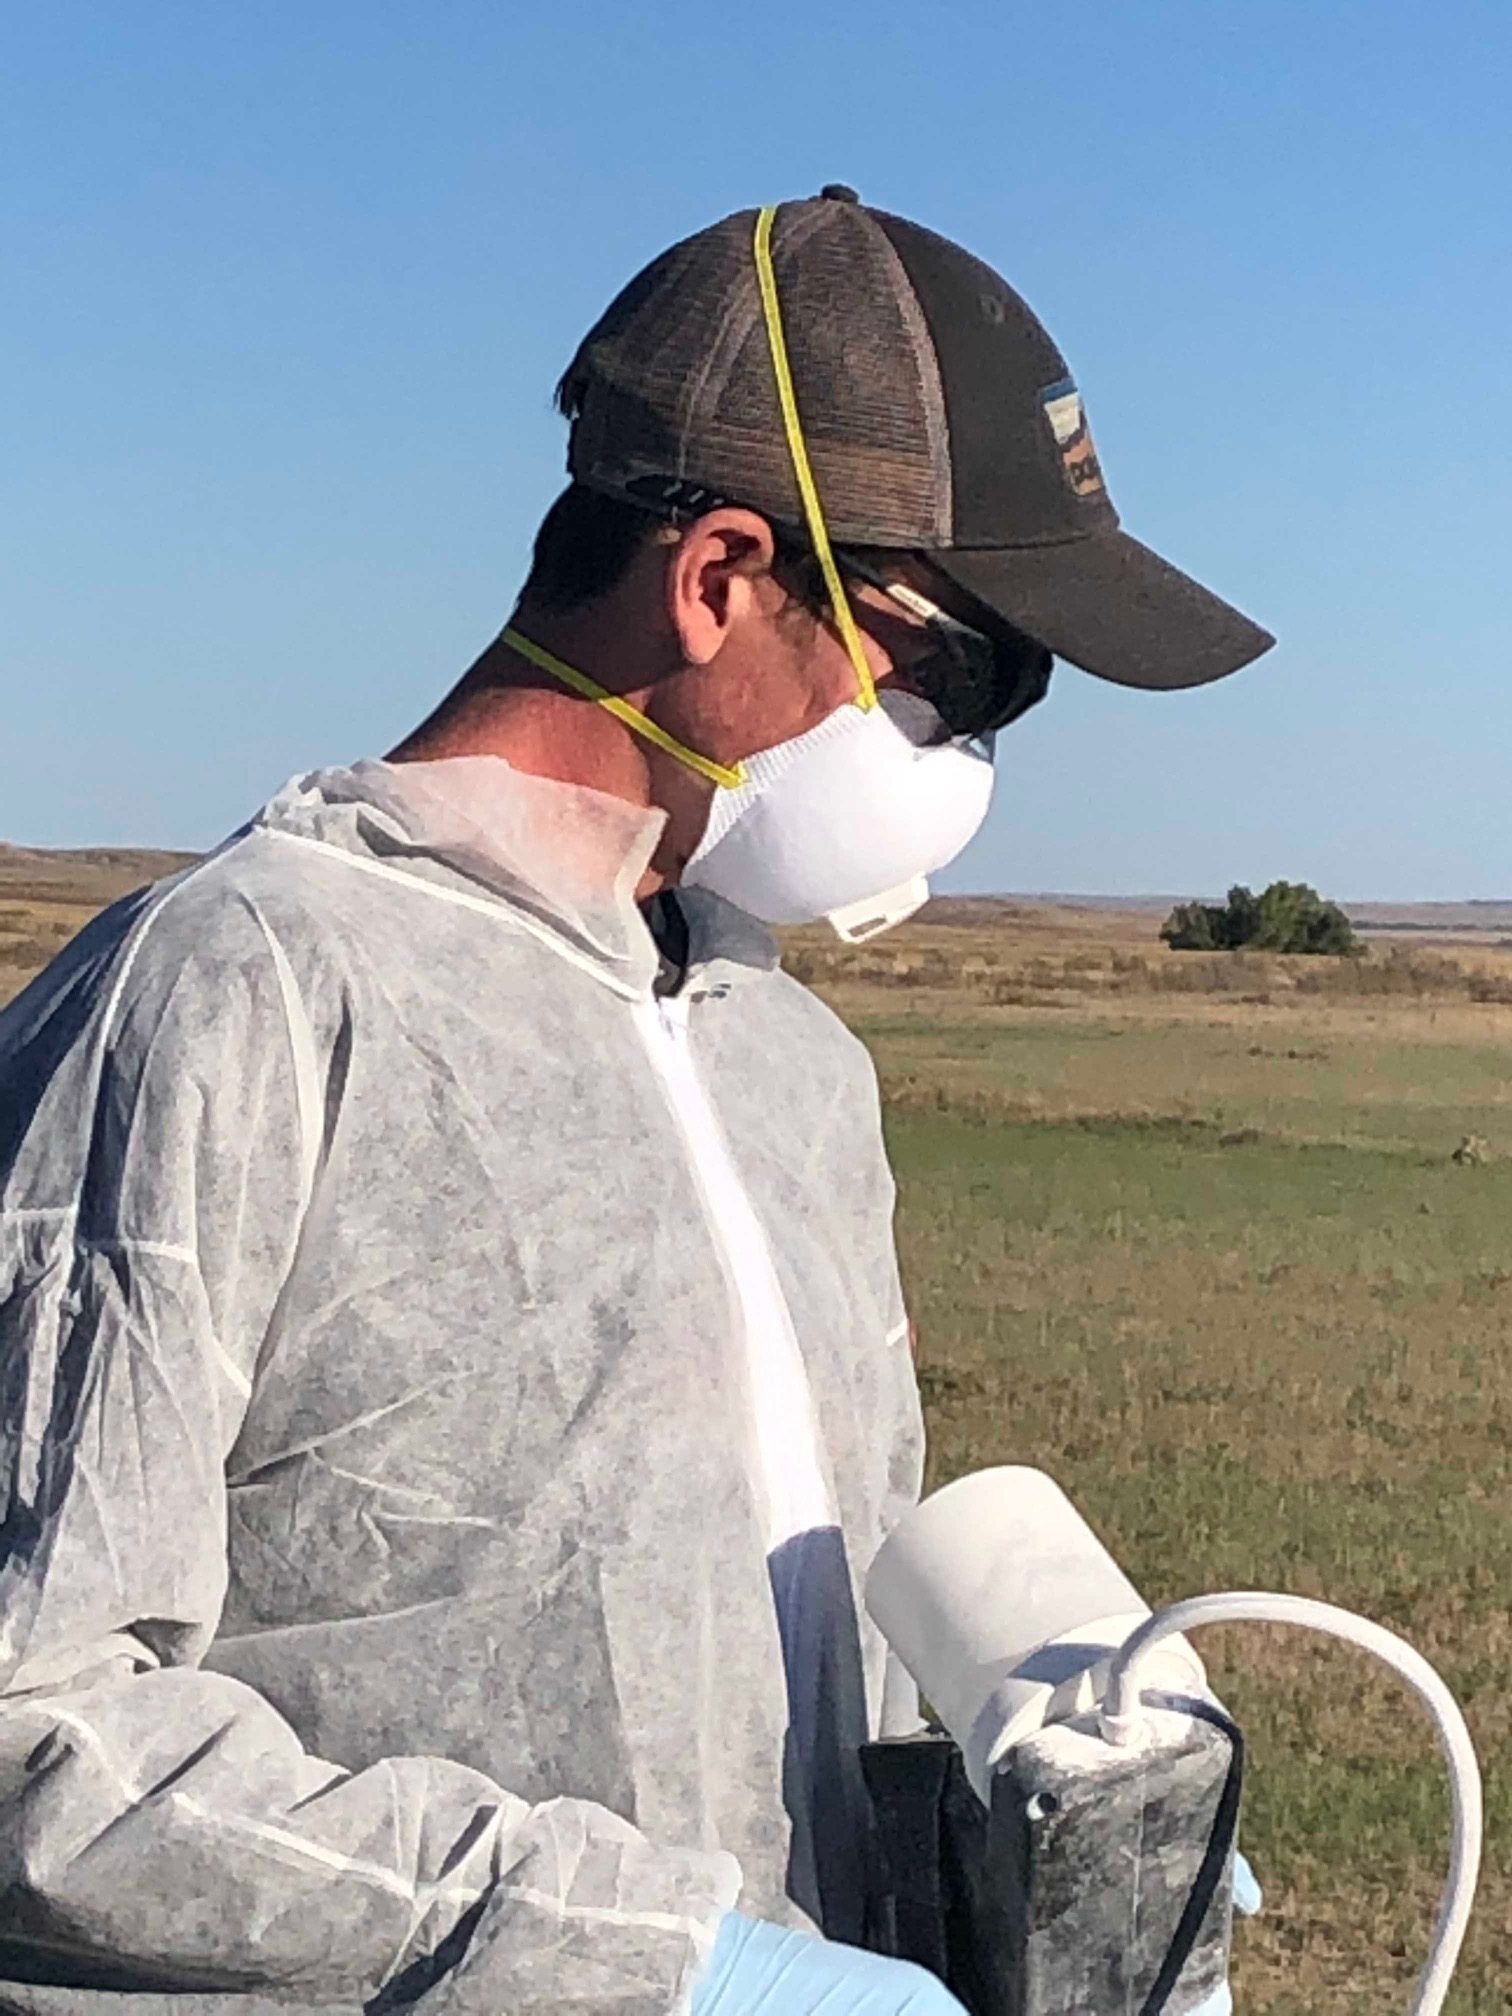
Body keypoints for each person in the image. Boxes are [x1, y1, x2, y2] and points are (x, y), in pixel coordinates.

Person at [0, 190, 1272, 2015]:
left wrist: (1048, 1861)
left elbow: (806, 1715)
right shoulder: (239, 991)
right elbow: (38, 1738)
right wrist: (669, 1973)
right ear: (720, 579)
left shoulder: (789, 1064)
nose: (976, 755)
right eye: (968, 669)